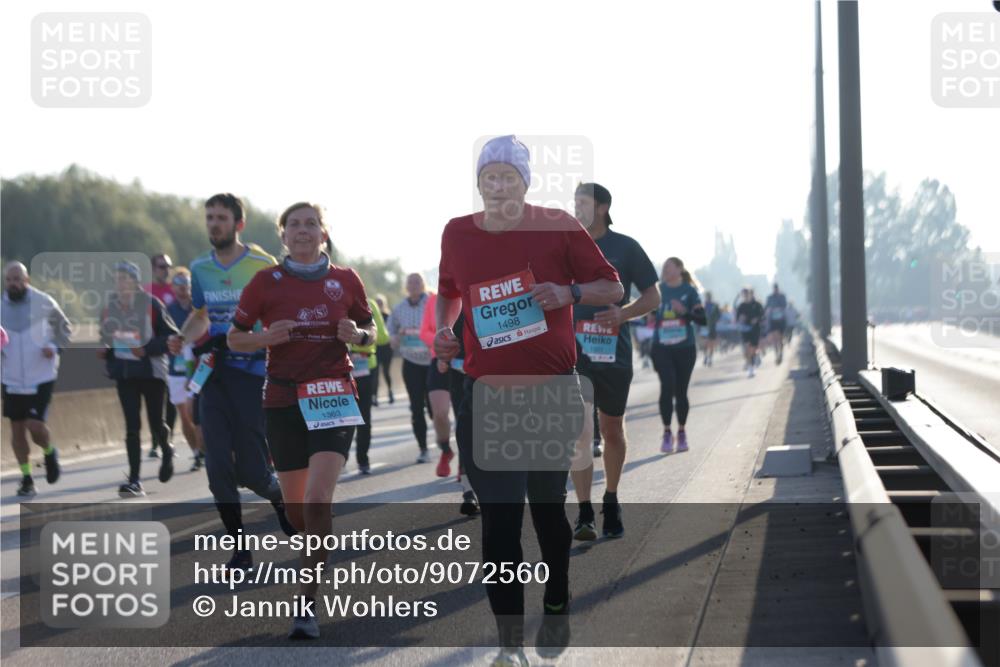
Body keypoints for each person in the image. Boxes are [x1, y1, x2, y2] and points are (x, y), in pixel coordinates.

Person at [434, 135, 622, 665]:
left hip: (549, 390)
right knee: (498, 519)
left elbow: (612, 288)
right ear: (479, 183)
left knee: (546, 513)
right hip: (486, 395)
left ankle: (558, 595)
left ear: (525, 181)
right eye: (489, 176)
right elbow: (450, 292)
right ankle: (509, 645)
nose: (498, 185)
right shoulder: (457, 232)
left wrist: (570, 294)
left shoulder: (558, 224)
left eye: (508, 176)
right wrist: (446, 331)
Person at [228, 201, 376, 640]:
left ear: (323, 233)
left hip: (333, 394)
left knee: (317, 500)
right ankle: (304, 530)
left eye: (311, 224)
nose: (303, 230)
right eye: (295, 224)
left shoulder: (346, 280)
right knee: (296, 513)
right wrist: (263, 337)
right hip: (283, 399)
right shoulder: (264, 282)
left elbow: (371, 336)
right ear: (283, 236)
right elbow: (235, 338)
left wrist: (359, 336)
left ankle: (306, 603)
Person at [167, 193, 295, 570]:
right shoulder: (200, 268)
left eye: (221, 218)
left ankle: (278, 496)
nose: (213, 224)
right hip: (215, 371)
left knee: (254, 471)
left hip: (254, 373)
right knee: (216, 464)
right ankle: (240, 547)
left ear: (238, 224)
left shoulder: (261, 264)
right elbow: (201, 315)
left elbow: (276, 318)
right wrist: (183, 336)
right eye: (209, 217)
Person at [569, 183, 659, 541]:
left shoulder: (625, 247)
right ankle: (584, 512)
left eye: (583, 202)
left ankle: (612, 498)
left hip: (614, 354)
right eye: (574, 202)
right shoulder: (564, 244)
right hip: (572, 353)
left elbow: (652, 296)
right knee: (579, 432)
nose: (576, 207)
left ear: (603, 207)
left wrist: (623, 315)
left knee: (611, 430)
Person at [99, 261, 179, 497]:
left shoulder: (152, 304)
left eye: (124, 278)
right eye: (117, 278)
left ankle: (166, 448)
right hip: (125, 375)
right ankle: (134, 480)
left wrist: (147, 348)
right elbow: (109, 336)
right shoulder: (111, 306)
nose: (120, 283)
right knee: (132, 427)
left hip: (152, 373)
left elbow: (171, 336)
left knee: (157, 424)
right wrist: (108, 352)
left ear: (134, 281)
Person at [2, 262, 70, 497]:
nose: (13, 284)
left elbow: (64, 328)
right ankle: (27, 477)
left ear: (26, 280)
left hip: (41, 375)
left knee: (35, 426)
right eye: (9, 280)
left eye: (17, 279)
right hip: (10, 377)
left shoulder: (44, 302)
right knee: (17, 430)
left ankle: (49, 452)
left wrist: (53, 346)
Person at [652, 258, 706, 455]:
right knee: (667, 386)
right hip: (661, 347)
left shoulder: (690, 291)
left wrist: (684, 311)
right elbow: (647, 312)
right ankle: (667, 432)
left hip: (685, 348)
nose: (665, 270)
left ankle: (681, 431)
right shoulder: (657, 290)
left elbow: (703, 319)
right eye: (663, 267)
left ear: (680, 269)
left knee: (681, 391)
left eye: (669, 267)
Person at [388, 274, 438, 464]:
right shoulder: (400, 308)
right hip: (410, 362)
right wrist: (395, 337)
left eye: (417, 282)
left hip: (432, 361)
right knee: (416, 408)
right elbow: (389, 329)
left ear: (423, 284)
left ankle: (443, 441)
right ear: (406, 287)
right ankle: (423, 448)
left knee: (435, 409)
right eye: (410, 282)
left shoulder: (432, 302)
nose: (414, 285)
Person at [165, 268, 204, 471]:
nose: (182, 288)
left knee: (198, 412)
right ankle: (197, 453)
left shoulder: (198, 308)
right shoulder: (168, 310)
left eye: (186, 284)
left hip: (199, 367)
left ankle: (204, 448)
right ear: (173, 287)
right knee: (184, 414)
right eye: (178, 284)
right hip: (176, 368)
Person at [349, 296, 389, 474]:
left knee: (356, 414)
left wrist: (356, 337)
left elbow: (382, 338)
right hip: (342, 367)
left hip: (360, 366)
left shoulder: (369, 303)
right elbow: (382, 338)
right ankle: (359, 460)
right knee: (356, 415)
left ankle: (357, 459)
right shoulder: (368, 303)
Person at [371, 294, 394, 406]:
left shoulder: (388, 315)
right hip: (376, 347)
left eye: (381, 302)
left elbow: (392, 330)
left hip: (386, 347)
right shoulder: (371, 315)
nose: (379, 304)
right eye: (377, 302)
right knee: (375, 374)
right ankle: (374, 396)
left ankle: (390, 391)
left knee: (386, 371)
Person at [736, 288, 765, 378]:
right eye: (743, 295)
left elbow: (763, 316)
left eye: (747, 294)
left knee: (753, 349)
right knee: (747, 350)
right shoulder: (741, 306)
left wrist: (756, 319)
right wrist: (740, 318)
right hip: (745, 330)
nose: (745, 296)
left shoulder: (757, 305)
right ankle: (751, 369)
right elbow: (737, 318)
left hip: (755, 329)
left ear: (750, 294)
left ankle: (756, 355)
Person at [765, 284, 788, 364]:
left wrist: (777, 309)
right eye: (774, 289)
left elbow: (784, 306)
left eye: (776, 289)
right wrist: (769, 310)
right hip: (773, 320)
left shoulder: (782, 297)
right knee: (774, 338)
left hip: (781, 320)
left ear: (778, 289)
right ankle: (776, 355)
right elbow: (766, 307)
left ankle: (781, 353)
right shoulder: (769, 298)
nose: (775, 290)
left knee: (780, 339)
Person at [702, 291, 721, 366]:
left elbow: (719, 315)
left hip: (713, 327)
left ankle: (710, 358)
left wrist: (715, 320)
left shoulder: (715, 305)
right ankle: (706, 356)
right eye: (707, 296)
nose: (708, 297)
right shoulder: (702, 306)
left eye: (709, 296)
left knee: (711, 344)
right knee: (705, 343)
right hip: (704, 327)